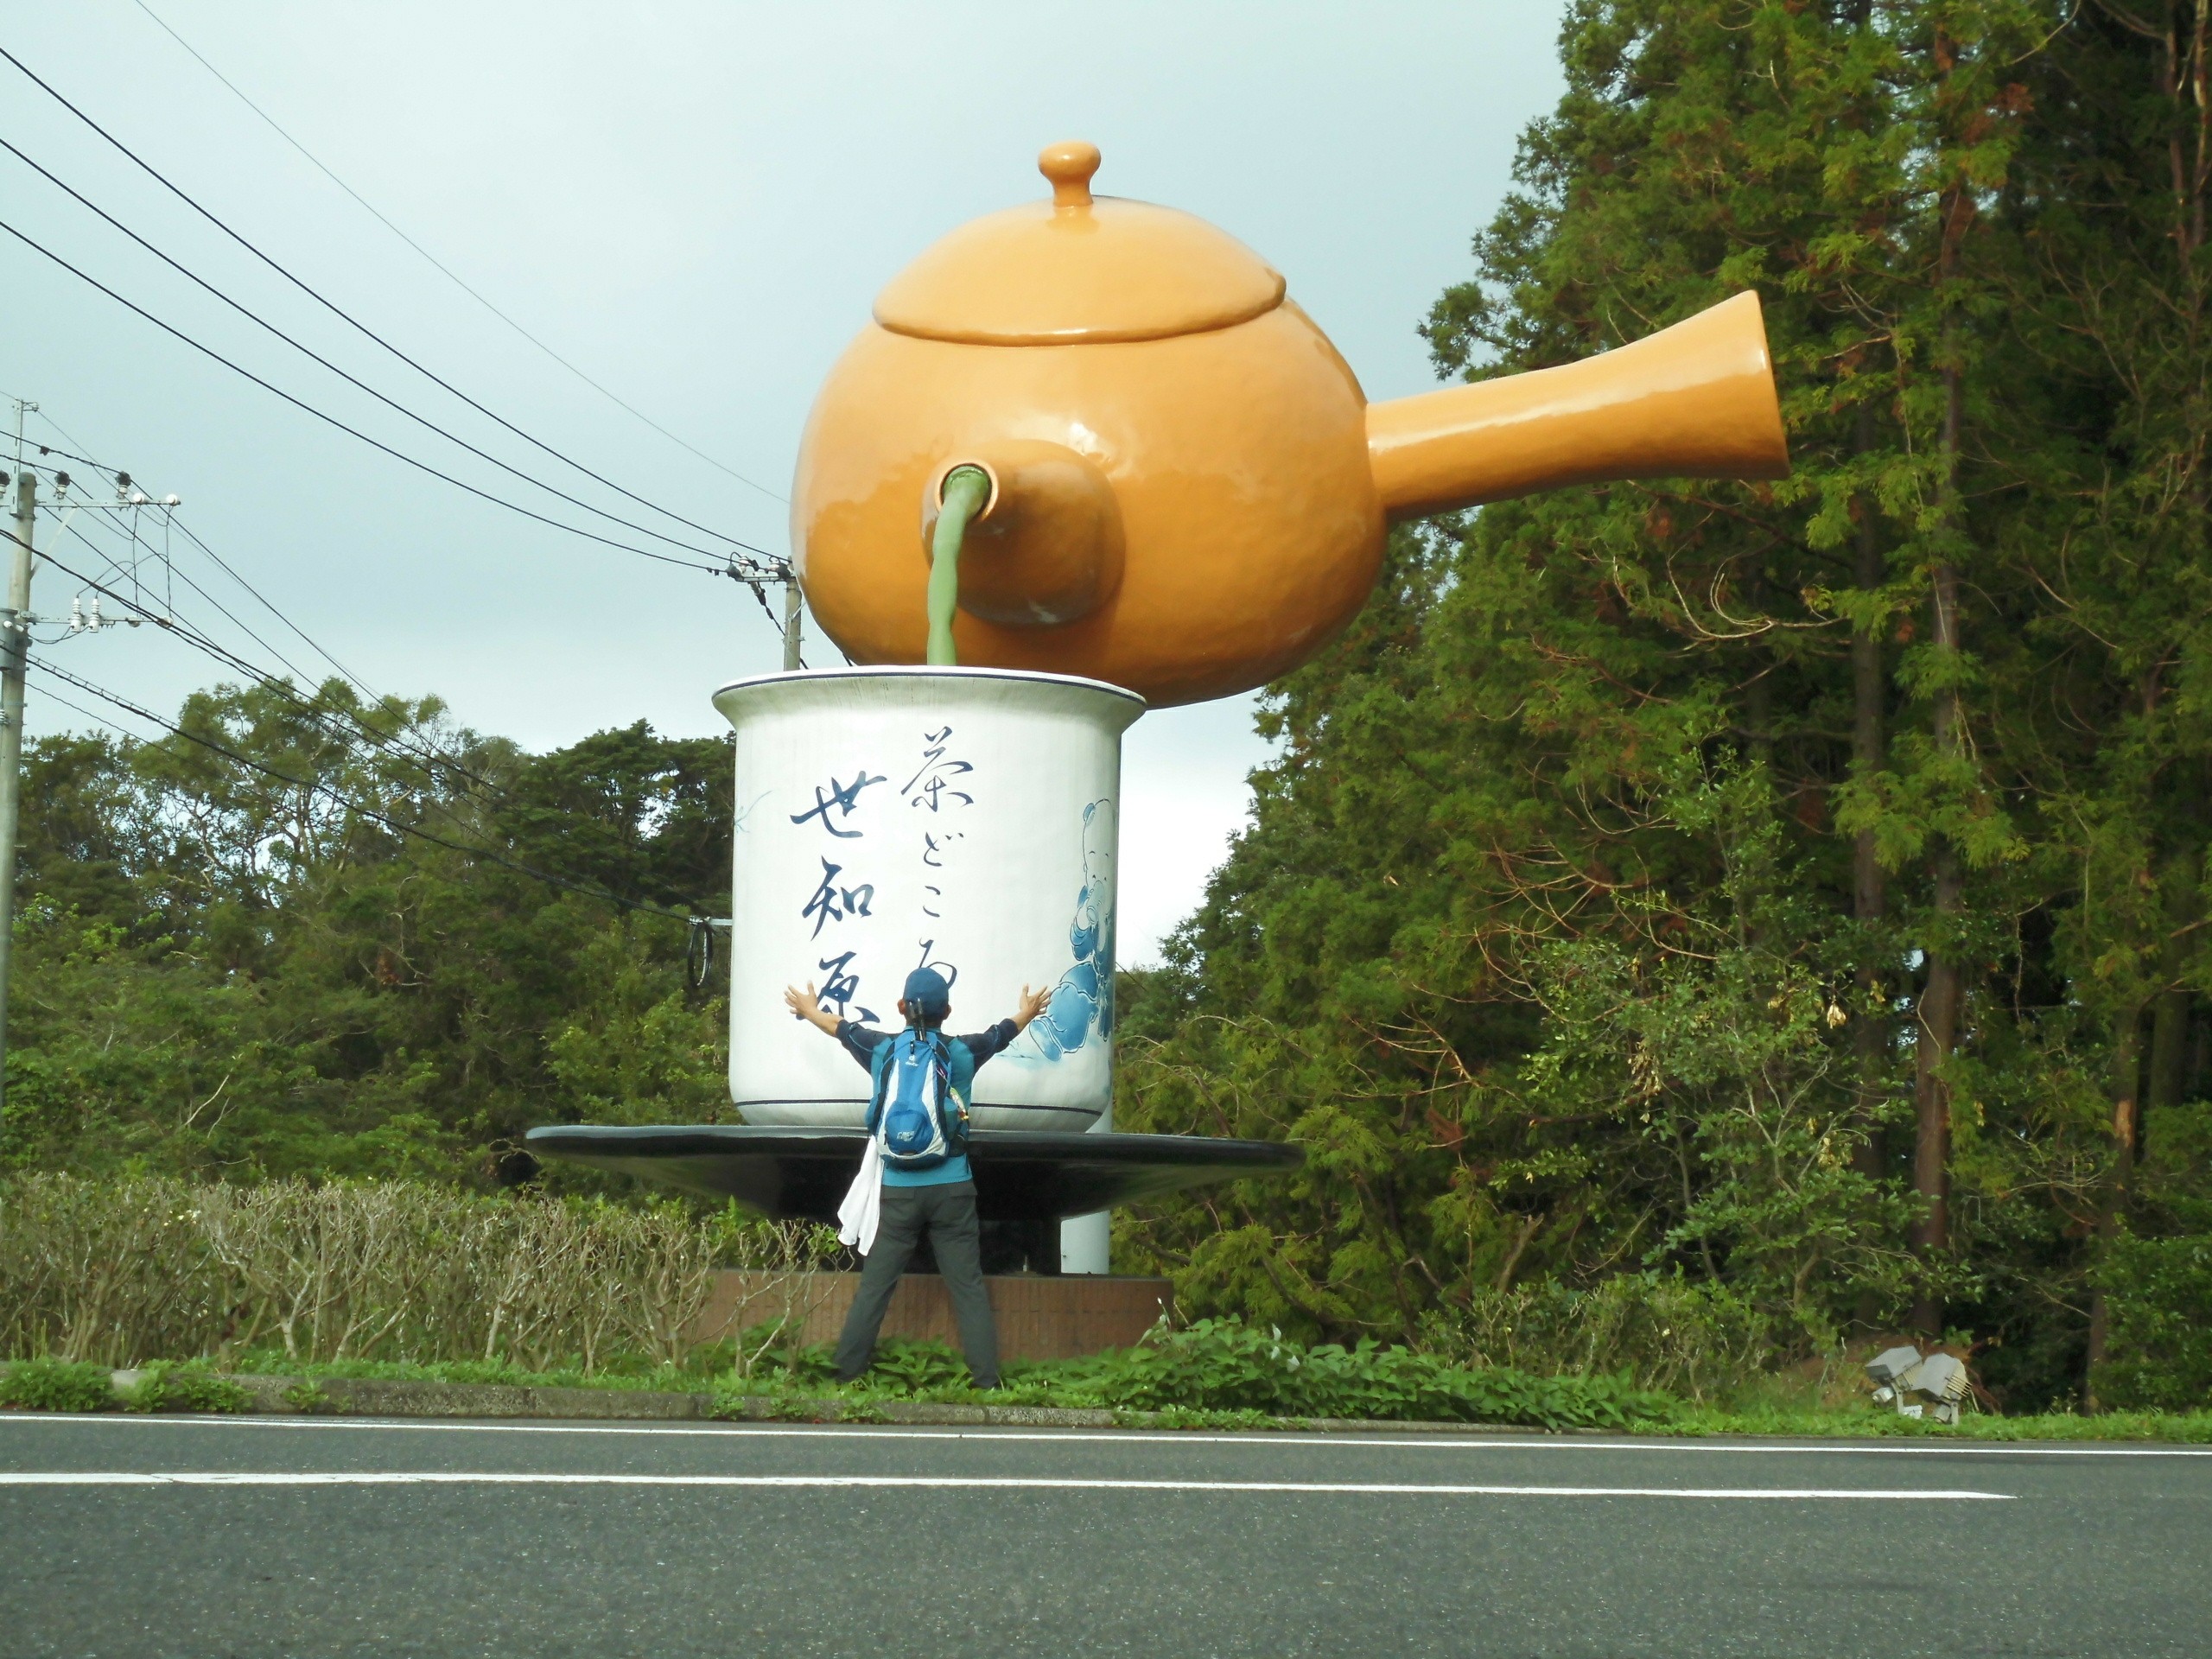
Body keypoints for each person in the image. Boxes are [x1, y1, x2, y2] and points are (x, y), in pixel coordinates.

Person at [783, 965, 1053, 1389]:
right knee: (967, 1287)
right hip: (952, 1187)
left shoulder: (881, 1049)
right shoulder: (962, 1052)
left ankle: (843, 1378)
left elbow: (839, 1027)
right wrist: (1028, 1012)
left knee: (874, 1287)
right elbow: (1001, 1034)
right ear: (947, 1010)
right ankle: (988, 1384)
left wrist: (809, 1009)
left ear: (901, 1007)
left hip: (897, 1190)